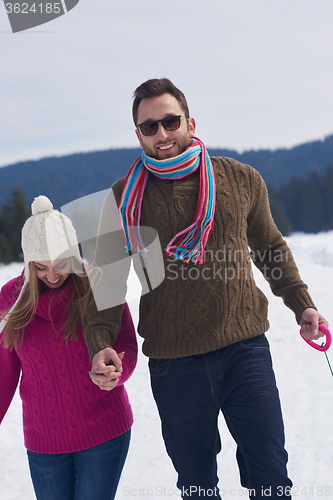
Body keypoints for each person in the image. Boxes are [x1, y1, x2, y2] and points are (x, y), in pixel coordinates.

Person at [85, 78, 328, 499]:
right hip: (173, 362)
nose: (162, 134)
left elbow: (269, 247)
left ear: (190, 122)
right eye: (150, 127)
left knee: (271, 477)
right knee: (197, 485)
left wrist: (301, 304)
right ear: (138, 135)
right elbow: (105, 279)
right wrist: (100, 341)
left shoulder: (239, 179)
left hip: (244, 348)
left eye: (170, 121)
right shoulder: (122, 198)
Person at [0, 195, 137, 500]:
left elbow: (125, 342)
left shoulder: (99, 285)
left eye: (61, 264)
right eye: (41, 268)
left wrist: (118, 370)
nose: (52, 275)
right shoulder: (10, 302)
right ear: (28, 263)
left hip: (103, 431)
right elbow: (4, 372)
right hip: (43, 441)